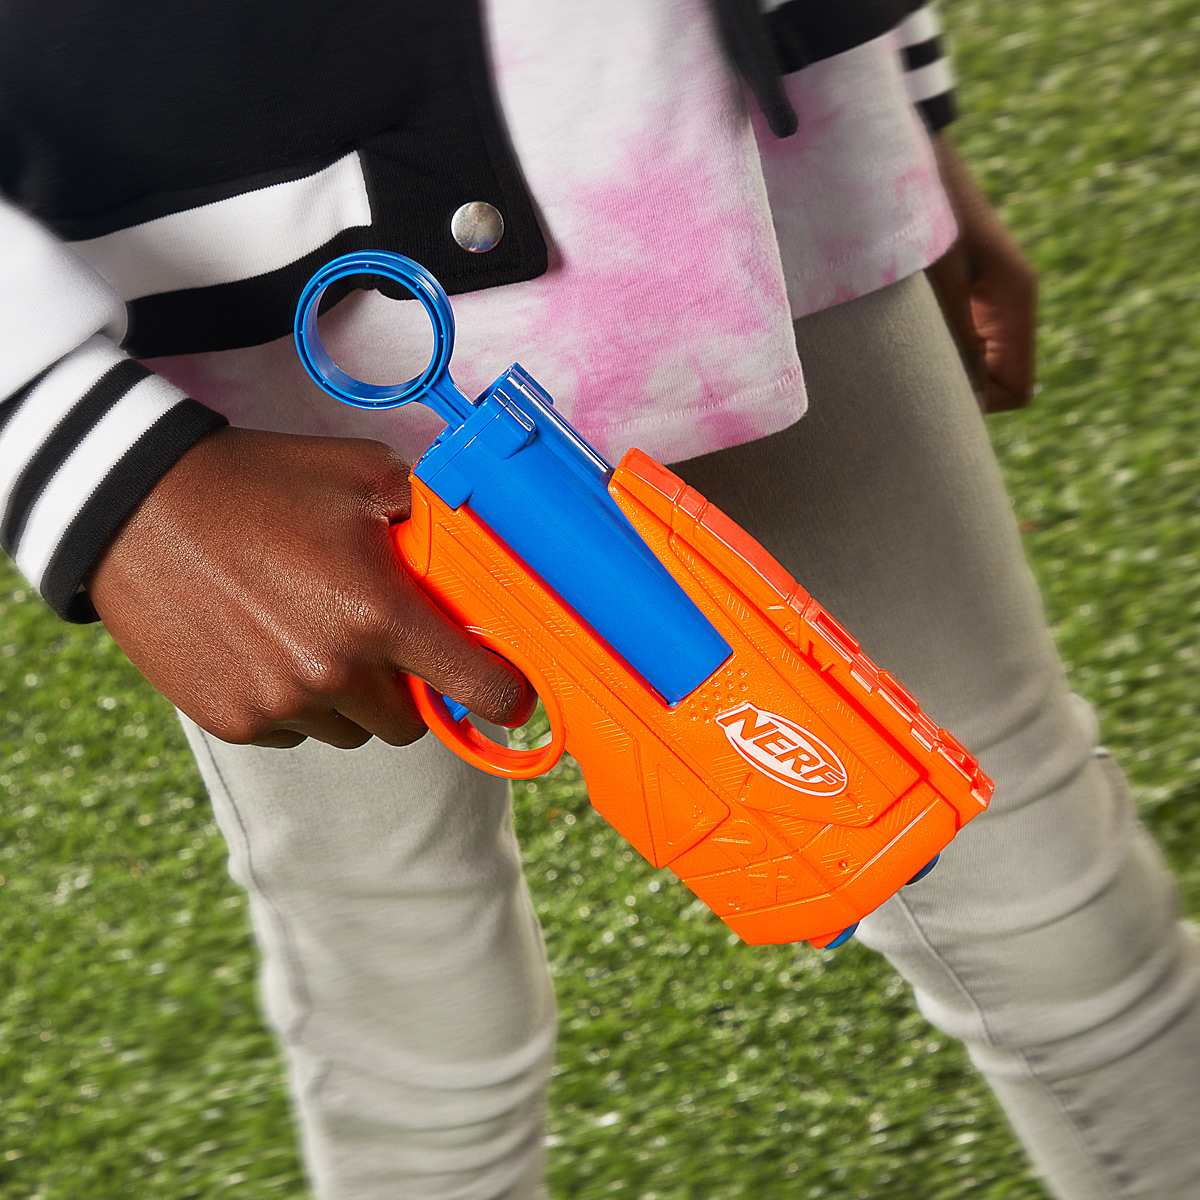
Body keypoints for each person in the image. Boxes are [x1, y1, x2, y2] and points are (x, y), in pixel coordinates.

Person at [2, 1, 1197, 1197]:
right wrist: (94, 456)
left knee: (1037, 879)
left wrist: (883, 85)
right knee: (410, 1001)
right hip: (240, 271)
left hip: (723, 134)